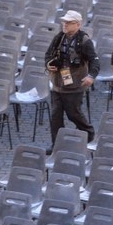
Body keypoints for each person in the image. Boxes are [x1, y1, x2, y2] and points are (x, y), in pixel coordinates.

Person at [44, 10, 99, 147]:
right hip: (57, 84)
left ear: (78, 24)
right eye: (64, 22)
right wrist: (48, 64)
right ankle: (56, 145)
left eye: (69, 22)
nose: (65, 25)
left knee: (73, 114)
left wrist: (91, 76)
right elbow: (48, 55)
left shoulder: (85, 41)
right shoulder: (59, 37)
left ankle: (88, 133)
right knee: (55, 117)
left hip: (75, 85)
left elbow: (95, 61)